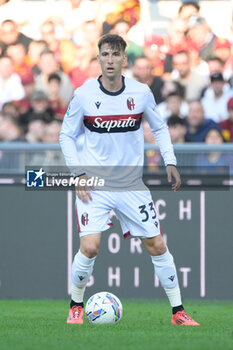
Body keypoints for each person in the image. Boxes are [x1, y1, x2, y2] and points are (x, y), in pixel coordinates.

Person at [60, 34, 199, 326]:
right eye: (105, 54)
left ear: (125, 59)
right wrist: (78, 173)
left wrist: (169, 160)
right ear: (98, 58)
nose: (110, 60)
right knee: (90, 247)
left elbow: (160, 128)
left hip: (131, 185)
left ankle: (178, 312)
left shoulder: (141, 92)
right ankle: (76, 306)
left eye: (115, 55)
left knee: (158, 246)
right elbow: (66, 135)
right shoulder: (84, 94)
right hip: (95, 185)